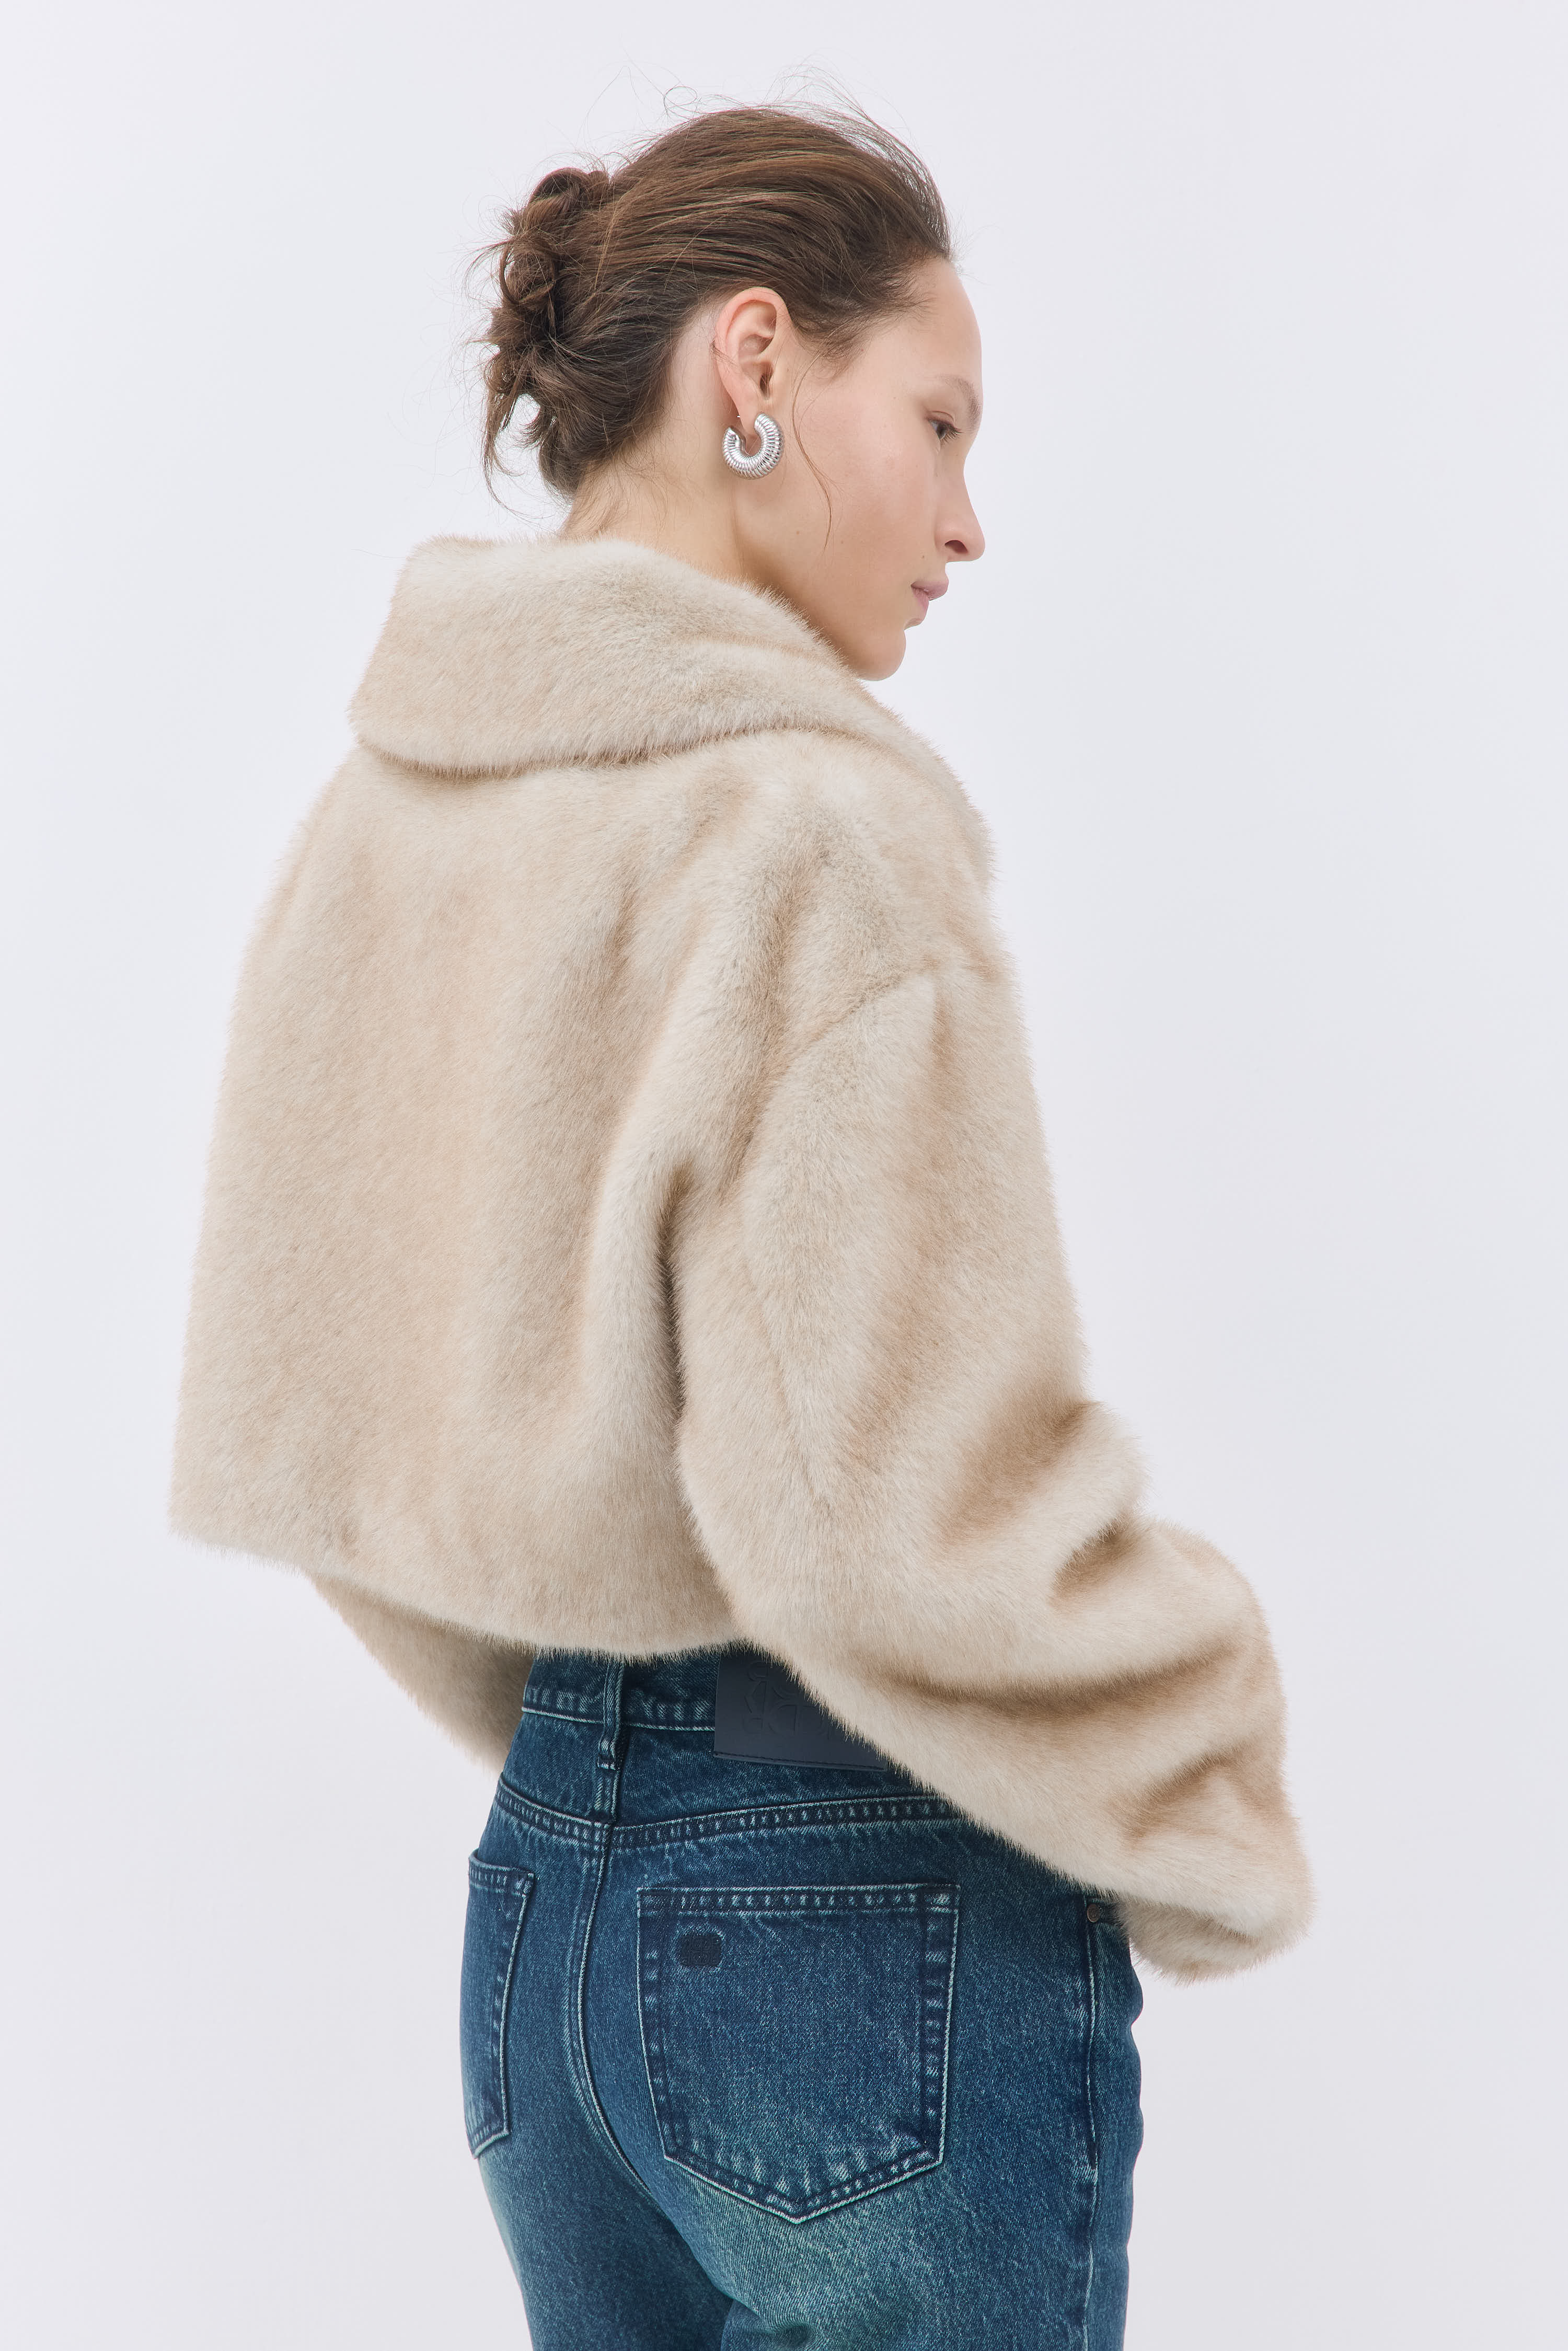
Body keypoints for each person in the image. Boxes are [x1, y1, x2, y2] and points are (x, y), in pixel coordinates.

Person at [171, 101, 1311, 2351]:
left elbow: (310, 1421)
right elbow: (887, 1516)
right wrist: (1201, 1729)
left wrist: (605, 1760)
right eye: (944, 423)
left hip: (541, 1936)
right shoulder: (819, 837)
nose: (970, 520)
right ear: (760, 362)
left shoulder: (377, 814)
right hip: (868, 1885)